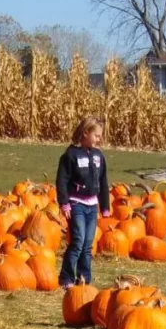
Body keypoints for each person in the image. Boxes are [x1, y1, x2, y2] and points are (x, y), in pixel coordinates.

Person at [56, 116, 110, 288]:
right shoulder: (70, 155)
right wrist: (64, 203)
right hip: (76, 204)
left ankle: (84, 278)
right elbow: (62, 181)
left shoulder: (98, 156)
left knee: (87, 245)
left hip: (91, 205)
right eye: (97, 135)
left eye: (100, 136)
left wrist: (105, 206)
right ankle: (66, 278)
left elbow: (103, 181)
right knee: (78, 242)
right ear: (85, 133)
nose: (99, 139)